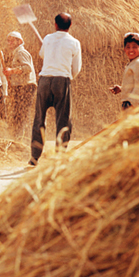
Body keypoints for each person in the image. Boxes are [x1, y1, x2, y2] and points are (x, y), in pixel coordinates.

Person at [29, 13, 82, 166]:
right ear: (70, 26)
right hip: (62, 80)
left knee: (39, 118)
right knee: (63, 120)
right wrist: (67, 76)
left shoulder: (47, 39)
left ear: (55, 24)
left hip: (44, 80)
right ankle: (59, 157)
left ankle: (34, 157)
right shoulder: (74, 42)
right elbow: (76, 68)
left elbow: (42, 55)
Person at [4, 31, 37, 140]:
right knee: (19, 112)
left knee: (21, 113)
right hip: (21, 86)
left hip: (25, 87)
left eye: (13, 40)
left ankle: (19, 138)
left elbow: (28, 69)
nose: (10, 42)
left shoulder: (21, 53)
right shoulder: (17, 53)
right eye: (9, 40)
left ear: (20, 41)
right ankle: (18, 136)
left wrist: (12, 71)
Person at [110, 32, 139, 110]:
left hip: (135, 105)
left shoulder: (138, 64)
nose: (131, 50)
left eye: (134, 47)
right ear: (124, 49)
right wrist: (122, 88)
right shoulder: (133, 64)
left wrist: (133, 104)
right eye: (128, 47)